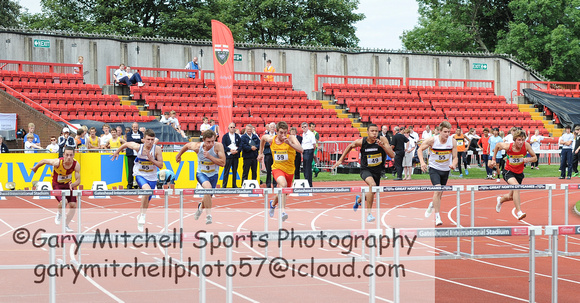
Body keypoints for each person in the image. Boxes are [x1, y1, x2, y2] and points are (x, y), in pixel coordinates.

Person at [333, 124, 395, 222]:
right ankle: (369, 214)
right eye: (372, 131)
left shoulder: (382, 140)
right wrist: (341, 160)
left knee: (372, 192)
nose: (374, 133)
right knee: (372, 185)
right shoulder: (362, 141)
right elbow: (350, 146)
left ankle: (359, 199)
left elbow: (392, 155)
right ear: (367, 132)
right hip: (365, 170)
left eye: (376, 131)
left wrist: (382, 146)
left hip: (377, 171)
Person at [112, 129, 163, 231]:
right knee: (146, 191)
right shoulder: (137, 147)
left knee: (146, 200)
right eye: (148, 139)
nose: (150, 142)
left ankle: (141, 214)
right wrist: (117, 152)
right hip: (140, 174)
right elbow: (125, 144)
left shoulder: (157, 149)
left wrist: (151, 159)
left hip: (152, 177)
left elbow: (161, 165)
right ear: (143, 139)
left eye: (152, 140)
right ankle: (143, 216)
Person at [176, 130, 225, 224]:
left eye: (212, 141)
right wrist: (179, 155)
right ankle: (209, 216)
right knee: (208, 189)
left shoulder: (218, 146)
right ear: (204, 140)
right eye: (208, 142)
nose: (211, 144)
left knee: (208, 196)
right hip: (201, 173)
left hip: (214, 174)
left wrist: (210, 157)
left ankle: (200, 207)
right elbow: (187, 146)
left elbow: (223, 163)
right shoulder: (198, 146)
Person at [259, 121, 304, 222]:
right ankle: (283, 211)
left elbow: (301, 150)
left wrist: (290, 143)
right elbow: (262, 139)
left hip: (289, 170)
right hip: (277, 168)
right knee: (282, 185)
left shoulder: (291, 138)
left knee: (283, 192)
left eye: (284, 132)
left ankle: (273, 204)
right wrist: (260, 153)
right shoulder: (272, 139)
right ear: (276, 131)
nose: (283, 135)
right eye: (280, 133)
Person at [489, 129, 537, 220]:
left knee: (512, 196)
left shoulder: (526, 146)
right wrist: (493, 159)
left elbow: (535, 158)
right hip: (508, 171)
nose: (521, 142)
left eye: (523, 139)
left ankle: (500, 199)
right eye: (519, 140)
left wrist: (528, 159)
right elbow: (498, 145)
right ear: (514, 140)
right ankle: (519, 212)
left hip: (519, 173)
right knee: (516, 187)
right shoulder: (509, 147)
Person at [31, 146, 81, 233]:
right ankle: (59, 213)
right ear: (64, 155)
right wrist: (36, 168)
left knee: (73, 205)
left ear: (73, 155)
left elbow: (78, 180)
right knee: (64, 202)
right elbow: (43, 161)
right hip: (57, 185)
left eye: (71, 155)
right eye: (67, 155)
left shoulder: (76, 165)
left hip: (68, 185)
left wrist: (73, 184)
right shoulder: (57, 162)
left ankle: (66, 225)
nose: (69, 157)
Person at [418, 121, 458, 226]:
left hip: (446, 170)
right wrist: (422, 162)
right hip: (434, 168)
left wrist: (453, 164)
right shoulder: (432, 140)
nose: (447, 134)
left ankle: (432, 204)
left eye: (449, 132)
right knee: (438, 189)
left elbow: (455, 157)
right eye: (445, 131)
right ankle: (437, 216)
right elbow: (420, 149)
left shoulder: (452, 141)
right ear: (439, 131)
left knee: (439, 194)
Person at [222, 122, 241, 188]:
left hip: (235, 156)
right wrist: (229, 150)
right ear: (228, 128)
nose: (232, 128)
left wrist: (237, 151)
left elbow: (241, 145)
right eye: (231, 127)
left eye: (233, 127)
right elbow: (223, 145)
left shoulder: (237, 136)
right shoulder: (225, 136)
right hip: (228, 156)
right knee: (226, 171)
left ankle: (234, 184)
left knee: (235, 171)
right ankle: (224, 185)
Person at [126, 123, 144, 189]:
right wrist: (139, 141)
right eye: (134, 127)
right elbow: (129, 141)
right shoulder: (129, 134)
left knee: (140, 170)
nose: (135, 128)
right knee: (131, 170)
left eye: (136, 127)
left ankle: (140, 184)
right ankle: (130, 184)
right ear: (132, 127)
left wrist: (135, 141)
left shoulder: (141, 134)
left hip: (139, 154)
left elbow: (143, 141)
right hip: (131, 154)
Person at [301, 122, 316, 187]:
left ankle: (309, 183)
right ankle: (307, 181)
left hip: (309, 151)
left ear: (307, 127)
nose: (304, 128)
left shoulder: (311, 134)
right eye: (302, 127)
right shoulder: (303, 134)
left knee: (308, 168)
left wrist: (312, 152)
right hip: (305, 151)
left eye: (305, 127)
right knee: (305, 168)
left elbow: (314, 144)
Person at [263, 122, 277, 188]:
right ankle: (268, 185)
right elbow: (263, 144)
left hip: (275, 154)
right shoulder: (265, 135)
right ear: (269, 128)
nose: (272, 128)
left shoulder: (277, 135)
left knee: (275, 170)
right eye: (271, 127)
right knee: (268, 170)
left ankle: (275, 184)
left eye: (273, 127)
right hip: (268, 154)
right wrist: (271, 143)